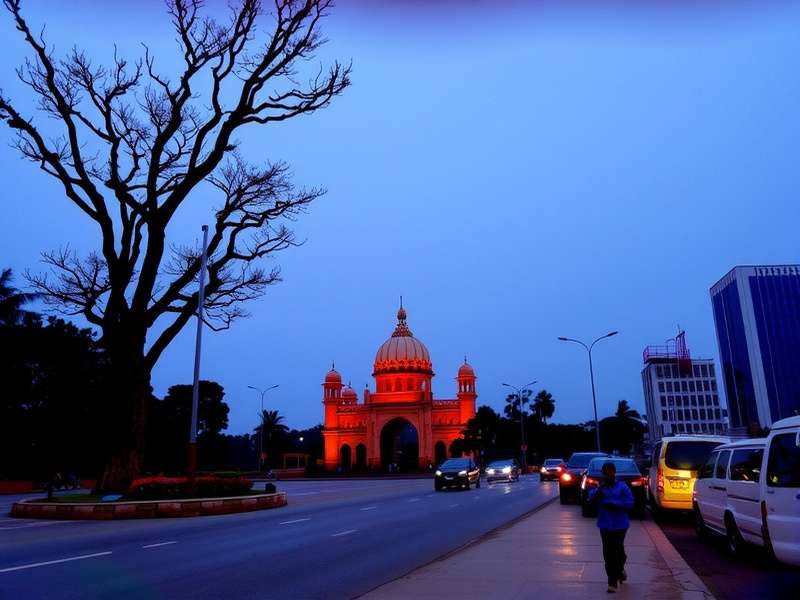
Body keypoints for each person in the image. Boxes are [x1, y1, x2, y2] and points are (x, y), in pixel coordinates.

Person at [588, 461, 634, 593]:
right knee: (608, 553)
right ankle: (612, 581)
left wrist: (615, 503)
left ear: (614, 473)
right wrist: (599, 491)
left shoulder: (622, 486)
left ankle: (620, 569)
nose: (607, 475)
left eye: (609, 472)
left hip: (620, 525)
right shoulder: (600, 488)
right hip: (605, 524)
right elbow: (590, 500)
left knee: (618, 550)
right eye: (605, 473)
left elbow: (630, 503)